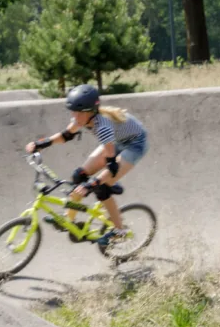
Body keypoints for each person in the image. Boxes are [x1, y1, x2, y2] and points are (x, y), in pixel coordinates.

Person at [25, 84, 149, 246]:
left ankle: (119, 230)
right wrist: (41, 144)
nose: (74, 116)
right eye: (72, 111)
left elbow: (112, 166)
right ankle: (68, 219)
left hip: (134, 144)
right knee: (79, 176)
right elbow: (66, 135)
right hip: (115, 141)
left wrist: (93, 184)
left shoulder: (103, 127)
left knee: (101, 187)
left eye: (78, 112)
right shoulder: (82, 118)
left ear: (90, 112)